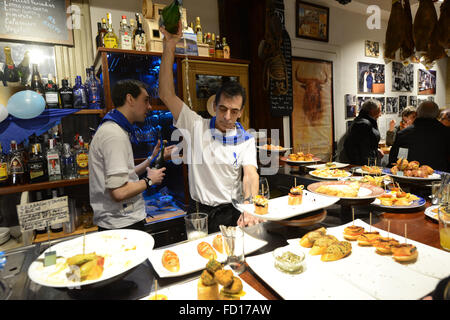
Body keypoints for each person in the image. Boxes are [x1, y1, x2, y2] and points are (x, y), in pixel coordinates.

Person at [158, 22, 261, 233]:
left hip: (232, 212)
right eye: (222, 109)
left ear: (241, 112)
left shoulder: (246, 139)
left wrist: (250, 207)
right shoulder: (196, 125)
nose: (226, 116)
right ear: (214, 106)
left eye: (234, 111)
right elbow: (166, 94)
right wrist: (169, 45)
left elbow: (250, 174)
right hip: (199, 212)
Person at [89, 80, 169, 231]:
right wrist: (150, 181)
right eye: (145, 100)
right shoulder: (114, 135)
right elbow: (119, 192)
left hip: (119, 223)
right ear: (130, 99)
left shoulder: (114, 129)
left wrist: (152, 158)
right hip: (121, 226)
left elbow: (125, 175)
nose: (150, 107)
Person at [389, 101, 450, 172]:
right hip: (440, 178)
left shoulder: (404, 134)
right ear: (437, 114)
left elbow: (398, 161)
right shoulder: (446, 133)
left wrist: (400, 176)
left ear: (417, 113)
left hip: (411, 178)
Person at [342, 99, 382, 165]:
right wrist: (367, 165)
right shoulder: (363, 124)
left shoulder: (363, 121)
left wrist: (376, 151)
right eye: (379, 111)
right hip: (364, 165)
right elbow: (361, 149)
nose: (380, 114)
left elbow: (369, 144)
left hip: (366, 163)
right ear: (372, 111)